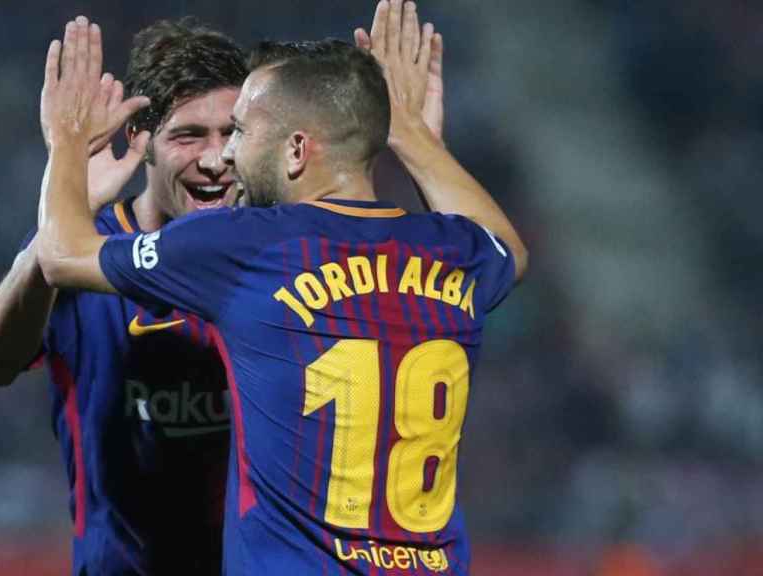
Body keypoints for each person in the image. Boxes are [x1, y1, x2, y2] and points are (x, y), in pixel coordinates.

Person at [35, 1, 528, 573]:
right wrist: (413, 136)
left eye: (241, 131)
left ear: (296, 149)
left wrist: (67, 144)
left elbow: (63, 253)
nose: (226, 154)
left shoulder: (247, 245)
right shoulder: (449, 252)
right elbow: (508, 249)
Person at [0, 18, 247, 575]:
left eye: (231, 133)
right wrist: (53, 234)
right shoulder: (84, 247)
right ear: (140, 141)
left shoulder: (269, 250)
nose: (216, 159)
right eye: (189, 135)